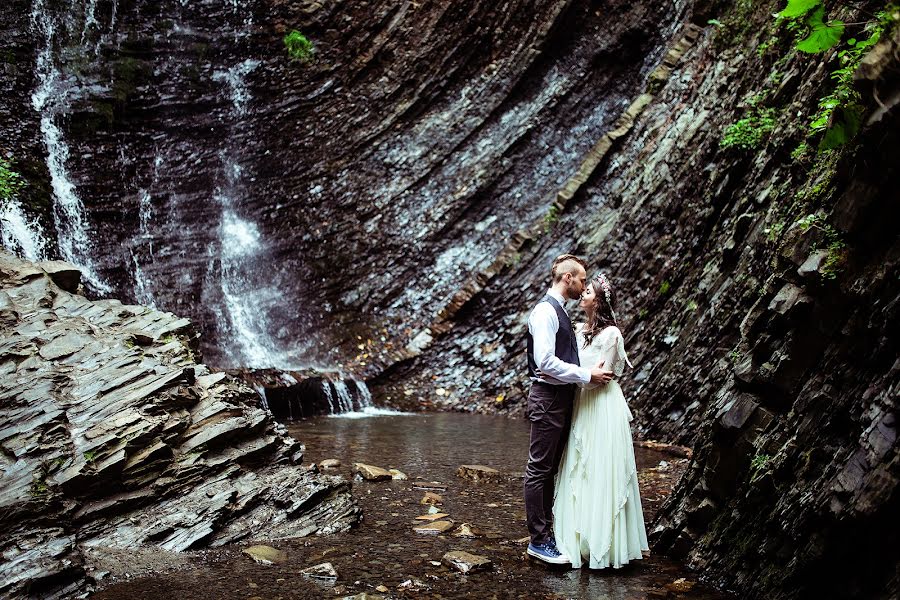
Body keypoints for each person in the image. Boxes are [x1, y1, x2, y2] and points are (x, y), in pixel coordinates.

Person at [552, 273, 649, 569]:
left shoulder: (612, 335)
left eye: (589, 292)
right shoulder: (578, 328)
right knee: (578, 468)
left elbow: (601, 378)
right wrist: (575, 374)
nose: (583, 295)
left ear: (600, 300)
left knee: (600, 468)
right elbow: (582, 371)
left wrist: (572, 375)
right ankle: (577, 539)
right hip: (581, 402)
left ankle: (604, 544)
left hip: (602, 405)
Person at [524, 254, 613, 565]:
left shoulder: (558, 312)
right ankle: (538, 541)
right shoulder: (544, 312)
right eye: (582, 280)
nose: (584, 285)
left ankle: (546, 534)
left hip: (558, 399)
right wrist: (587, 375)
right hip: (547, 398)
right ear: (567, 278)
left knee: (549, 469)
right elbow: (545, 362)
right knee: (538, 468)